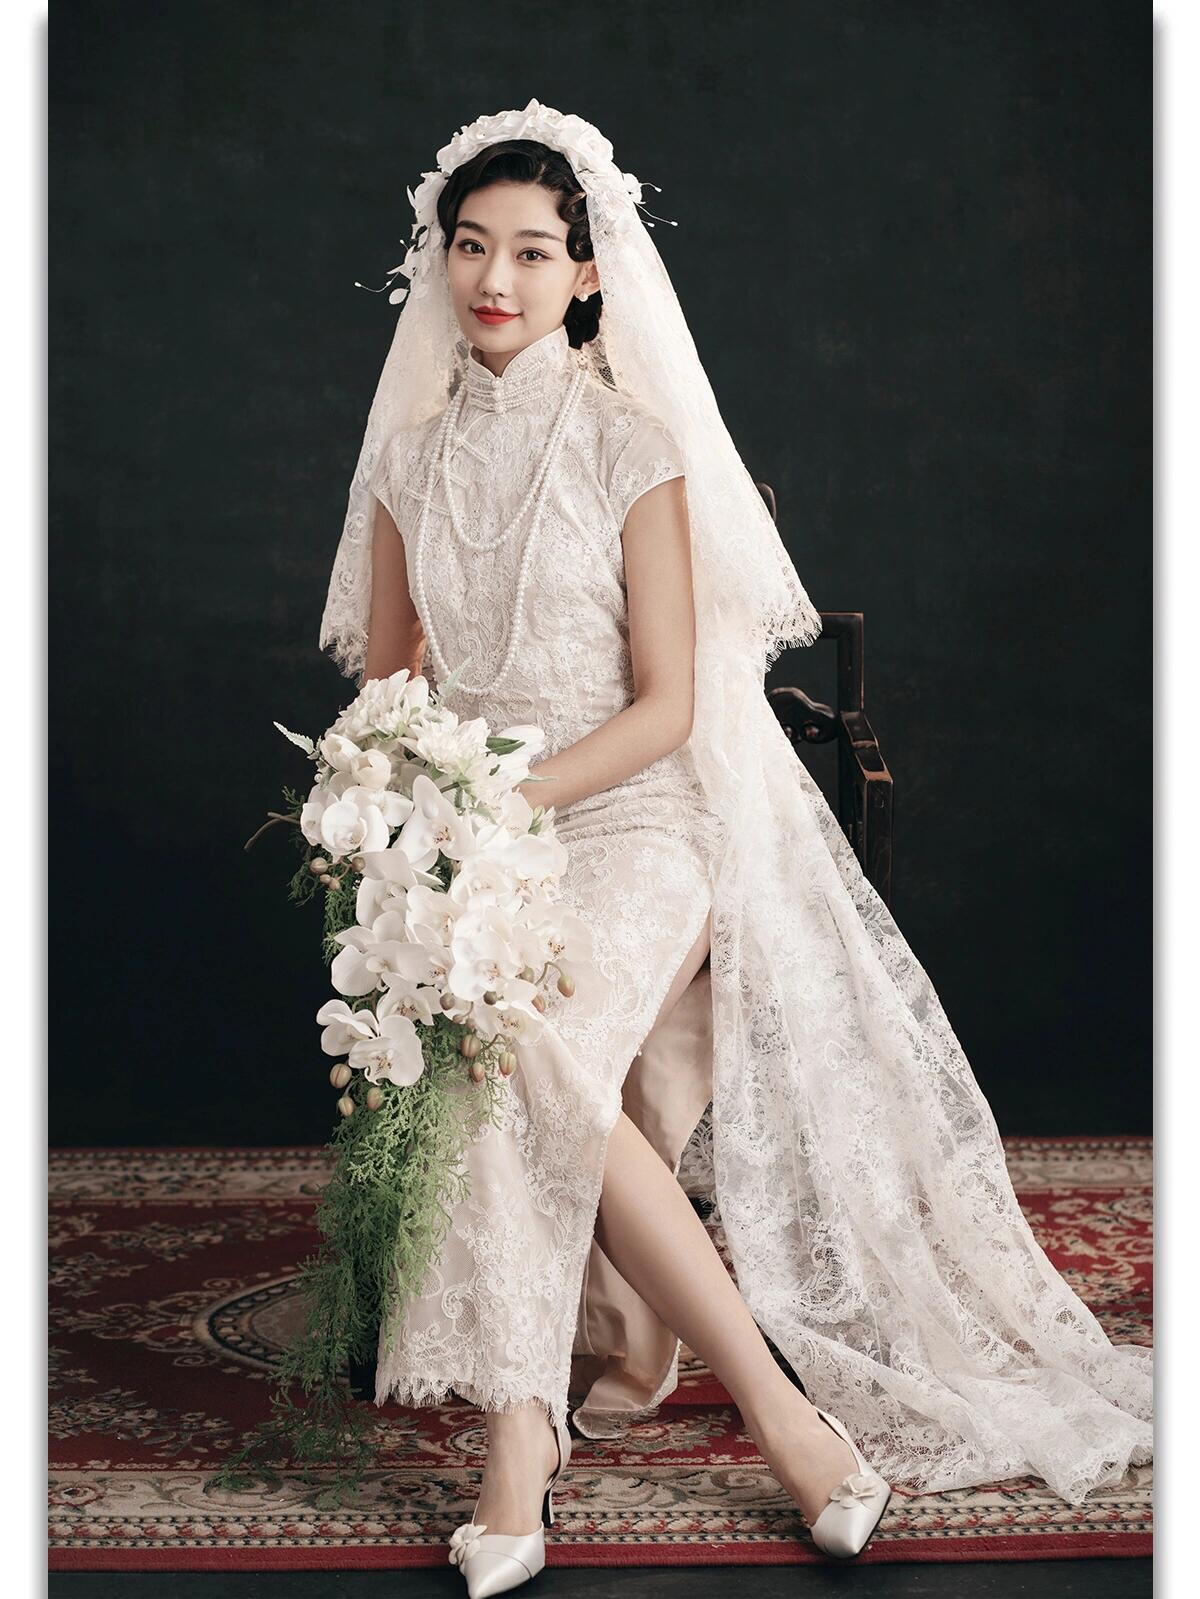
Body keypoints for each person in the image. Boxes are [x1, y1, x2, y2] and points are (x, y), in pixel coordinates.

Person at [320, 103, 1152, 1593]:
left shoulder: (631, 444)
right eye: (471, 247)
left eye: (532, 251)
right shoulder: (409, 459)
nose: (495, 278)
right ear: (435, 263)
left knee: (521, 1048)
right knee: (502, 1052)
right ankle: (544, 1436)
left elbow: (667, 708)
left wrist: (509, 797)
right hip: (480, 841)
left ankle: (734, 1419)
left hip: (635, 820)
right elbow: (391, 686)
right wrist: (407, 810)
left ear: (588, 274)